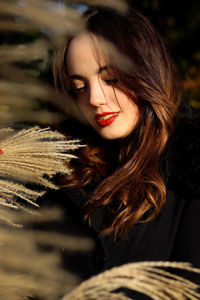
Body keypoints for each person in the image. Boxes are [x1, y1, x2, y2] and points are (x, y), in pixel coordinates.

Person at [51, 5, 200, 296]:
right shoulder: (65, 178)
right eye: (79, 87)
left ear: (147, 71)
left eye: (111, 79)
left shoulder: (191, 176)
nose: (94, 98)